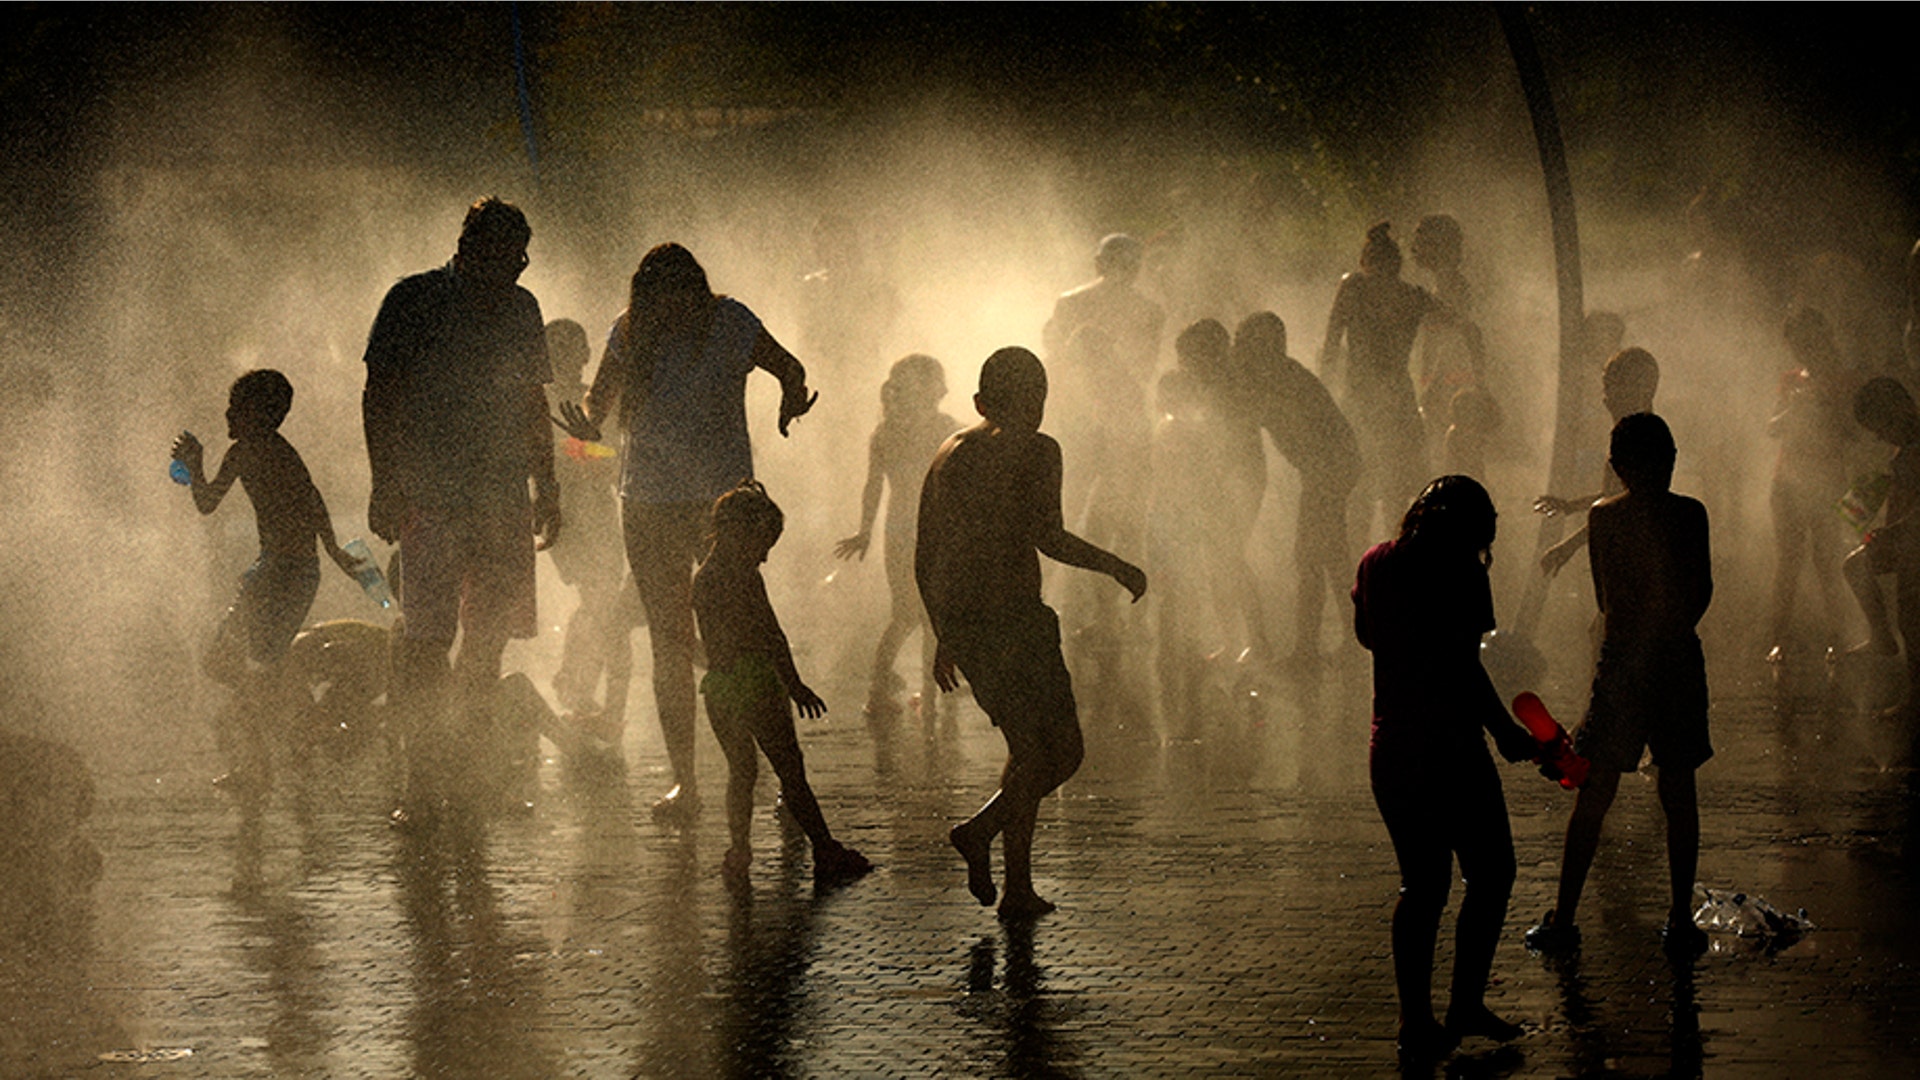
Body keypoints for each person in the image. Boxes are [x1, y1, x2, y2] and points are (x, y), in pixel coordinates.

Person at [560, 242, 816, 821]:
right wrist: (584, 422)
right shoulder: (629, 332)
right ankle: (687, 783)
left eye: (681, 294)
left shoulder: (731, 322)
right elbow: (597, 407)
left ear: (698, 291)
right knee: (669, 644)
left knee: (744, 633)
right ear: (645, 299)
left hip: (722, 503)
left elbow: (789, 366)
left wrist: (792, 399)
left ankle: (787, 778)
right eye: (659, 297)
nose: (671, 307)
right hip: (648, 501)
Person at [918, 347, 1147, 920]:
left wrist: (942, 629)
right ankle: (978, 832)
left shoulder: (948, 453)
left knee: (1026, 752)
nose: (1035, 415)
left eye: (1039, 404)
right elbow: (1050, 537)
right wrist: (1116, 565)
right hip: (1016, 620)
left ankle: (1016, 887)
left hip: (968, 624)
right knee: (1062, 753)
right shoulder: (1039, 449)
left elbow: (925, 553)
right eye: (1031, 402)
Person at [362, 197, 560, 821]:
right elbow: (379, 395)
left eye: (520, 261)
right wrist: (382, 480)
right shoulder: (412, 300)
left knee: (488, 641)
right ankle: (421, 786)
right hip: (430, 493)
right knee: (426, 639)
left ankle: (471, 777)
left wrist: (547, 484)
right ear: (469, 249)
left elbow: (532, 404)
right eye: (503, 260)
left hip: (501, 496)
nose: (513, 274)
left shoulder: (522, 309)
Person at [1352, 475, 1536, 1058]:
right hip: (1452, 749)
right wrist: (1505, 731)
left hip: (1393, 748)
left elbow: (1367, 637)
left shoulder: (1376, 563)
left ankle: (1415, 1019)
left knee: (1422, 885)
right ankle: (1465, 1002)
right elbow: (1464, 668)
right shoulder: (1463, 571)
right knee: (1492, 873)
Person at [1527, 413, 1714, 958]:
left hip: (1625, 661)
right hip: (1677, 658)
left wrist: (1617, 660)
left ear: (1616, 467)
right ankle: (1679, 918)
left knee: (1596, 791)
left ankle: (1563, 917)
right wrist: (1672, 631)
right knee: (1677, 789)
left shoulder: (1605, 518)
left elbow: (1606, 600)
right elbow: (1701, 590)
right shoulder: (1690, 514)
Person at [174, 369, 359, 795]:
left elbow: (306, 500)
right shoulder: (260, 452)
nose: (227, 413)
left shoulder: (263, 452)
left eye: (235, 407)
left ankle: (304, 729)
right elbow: (310, 501)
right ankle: (293, 730)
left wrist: (194, 463)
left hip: (284, 573)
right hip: (282, 569)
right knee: (239, 666)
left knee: (232, 664)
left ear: (257, 413)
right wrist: (333, 553)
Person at [694, 480, 873, 893]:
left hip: (720, 689)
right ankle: (825, 849)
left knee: (741, 773)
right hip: (757, 683)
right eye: (764, 544)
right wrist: (795, 685)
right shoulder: (744, 578)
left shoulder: (704, 578)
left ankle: (739, 852)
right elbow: (771, 636)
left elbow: (699, 643)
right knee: (790, 771)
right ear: (741, 533)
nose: (766, 556)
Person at [1322, 222, 1478, 536]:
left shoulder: (1354, 286)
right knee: (1394, 490)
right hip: (1395, 397)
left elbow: (1330, 344)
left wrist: (1326, 392)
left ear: (1367, 261)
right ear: (1396, 264)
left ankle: (1364, 563)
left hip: (1362, 397)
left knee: (1364, 486)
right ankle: (1395, 557)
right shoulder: (1411, 295)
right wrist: (1478, 368)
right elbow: (1464, 324)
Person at [834, 354, 960, 733]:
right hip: (936, 530)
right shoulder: (945, 429)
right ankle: (932, 696)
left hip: (899, 531)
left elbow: (873, 487)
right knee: (932, 617)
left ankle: (877, 693)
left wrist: (865, 531)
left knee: (904, 615)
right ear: (934, 390)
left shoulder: (884, 432)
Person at [1230, 312, 1361, 665]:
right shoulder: (1280, 374)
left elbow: (1257, 420)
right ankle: (1351, 641)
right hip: (1330, 468)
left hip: (1328, 471)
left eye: (1245, 344)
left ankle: (1308, 649)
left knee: (1310, 559)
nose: (1239, 351)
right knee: (1330, 558)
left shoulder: (1279, 378)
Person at [544, 317, 640, 750]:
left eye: (574, 351)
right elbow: (565, 455)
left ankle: (590, 694)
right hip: (566, 519)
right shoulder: (541, 400)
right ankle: (599, 704)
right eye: (557, 352)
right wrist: (586, 453)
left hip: (596, 514)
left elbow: (613, 455)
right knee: (603, 606)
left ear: (585, 355)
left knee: (603, 606)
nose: (567, 360)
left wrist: (583, 452)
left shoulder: (598, 399)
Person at [1174, 319, 1272, 662]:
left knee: (1228, 558)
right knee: (1217, 560)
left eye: (1187, 357)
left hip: (1237, 479)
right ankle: (1235, 640)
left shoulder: (1226, 387)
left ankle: (1257, 642)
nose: (1182, 365)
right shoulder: (1217, 385)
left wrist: (1209, 485)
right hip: (1227, 478)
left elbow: (1229, 443)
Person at [1764, 309, 1856, 661]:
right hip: (1786, 478)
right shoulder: (1790, 380)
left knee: (1828, 561)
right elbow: (1771, 427)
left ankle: (1838, 638)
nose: (1802, 350)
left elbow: (1853, 432)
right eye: (1796, 344)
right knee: (1787, 560)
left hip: (1828, 479)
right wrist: (1792, 413)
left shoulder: (1844, 379)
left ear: (1821, 338)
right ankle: (1779, 640)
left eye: (1807, 341)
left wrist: (1825, 409)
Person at [1535, 346, 1660, 576]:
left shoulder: (1637, 438)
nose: (1605, 399)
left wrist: (1568, 546)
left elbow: (1621, 508)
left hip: (1636, 558)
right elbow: (1613, 495)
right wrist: (1570, 506)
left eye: (1612, 387)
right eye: (1605, 387)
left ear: (1639, 390)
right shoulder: (1636, 432)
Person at [1844, 377, 1920, 733]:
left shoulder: (1913, 451)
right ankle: (1884, 639)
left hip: (1912, 542)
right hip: (1906, 542)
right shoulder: (1905, 451)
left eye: (1879, 428)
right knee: (1909, 618)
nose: (1877, 437)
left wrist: (1890, 533)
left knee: (1911, 620)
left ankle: (1885, 642)